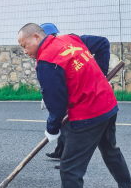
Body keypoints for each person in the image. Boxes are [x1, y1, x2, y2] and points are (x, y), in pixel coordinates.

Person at [17, 23, 131, 188]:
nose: (24, 51)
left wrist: (52, 129)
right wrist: (100, 77)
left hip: (88, 114)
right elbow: (102, 43)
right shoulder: (69, 39)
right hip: (107, 103)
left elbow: (56, 105)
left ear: (36, 37)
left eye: (24, 45)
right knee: (110, 150)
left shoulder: (46, 61)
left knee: (70, 170)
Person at [39, 23, 111, 170]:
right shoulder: (45, 54)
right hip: (67, 95)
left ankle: (67, 160)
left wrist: (101, 74)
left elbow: (102, 43)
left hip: (84, 98)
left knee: (67, 127)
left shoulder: (72, 41)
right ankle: (60, 151)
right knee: (62, 124)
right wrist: (45, 97)